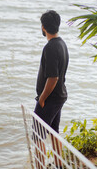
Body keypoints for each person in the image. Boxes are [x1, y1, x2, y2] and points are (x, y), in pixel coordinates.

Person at [33, 10, 69, 169]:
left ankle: (40, 167)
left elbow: (53, 77)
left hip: (50, 99)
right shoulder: (62, 44)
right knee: (54, 133)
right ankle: (59, 165)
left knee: (37, 135)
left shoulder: (50, 47)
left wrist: (42, 98)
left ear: (43, 27)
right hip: (59, 97)